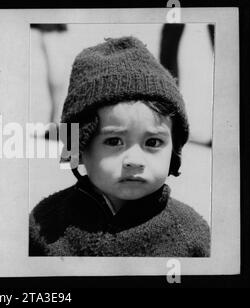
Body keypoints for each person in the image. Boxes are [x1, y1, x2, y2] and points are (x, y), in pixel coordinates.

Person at [29, 36, 210, 257]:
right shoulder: (45, 223)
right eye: (114, 141)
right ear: (78, 148)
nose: (134, 160)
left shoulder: (192, 237)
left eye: (153, 142)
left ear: (174, 149)